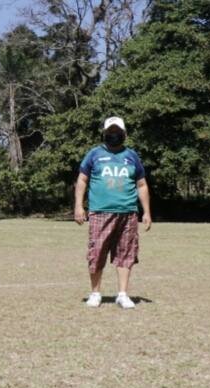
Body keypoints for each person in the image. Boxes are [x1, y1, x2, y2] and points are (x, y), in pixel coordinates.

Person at [74, 116, 152, 310]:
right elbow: (82, 180)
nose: (114, 135)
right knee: (97, 253)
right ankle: (95, 293)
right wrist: (78, 206)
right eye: (110, 132)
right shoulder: (94, 154)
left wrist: (147, 212)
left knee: (126, 253)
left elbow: (141, 185)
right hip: (100, 212)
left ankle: (123, 295)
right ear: (105, 133)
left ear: (124, 134)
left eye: (117, 132)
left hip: (128, 213)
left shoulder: (132, 156)